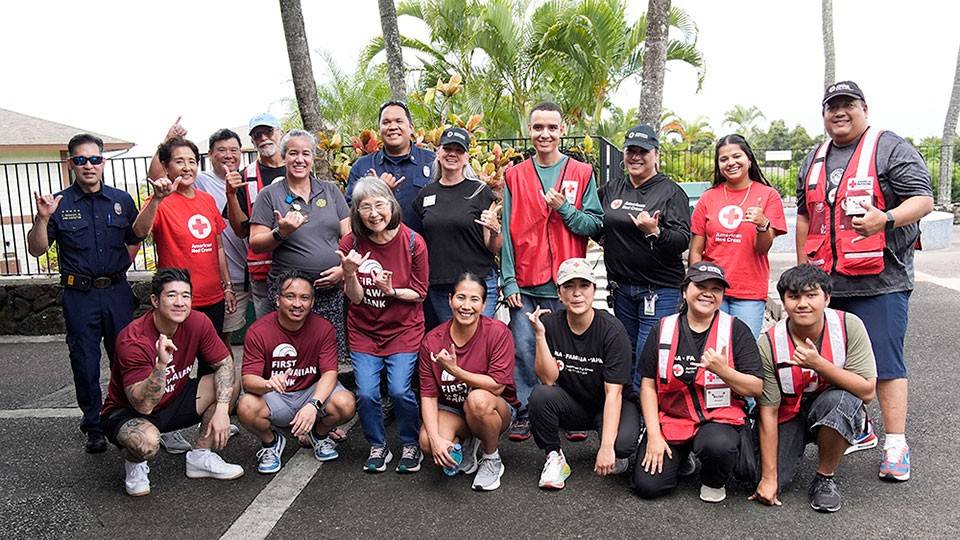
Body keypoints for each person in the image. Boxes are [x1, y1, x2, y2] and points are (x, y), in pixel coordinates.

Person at [795, 81, 933, 482]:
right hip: (828, 284)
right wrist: (805, 266)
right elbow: (805, 215)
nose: (839, 112)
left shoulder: (890, 146)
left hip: (881, 281)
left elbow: (923, 199)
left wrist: (885, 219)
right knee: (832, 362)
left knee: (885, 364)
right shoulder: (814, 158)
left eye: (847, 105)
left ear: (864, 109)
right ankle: (859, 426)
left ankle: (896, 443)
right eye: (831, 106)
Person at [26, 133, 162, 453]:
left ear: (103, 162)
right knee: (85, 363)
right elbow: (36, 249)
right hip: (80, 296)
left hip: (116, 291)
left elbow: (137, 234)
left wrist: (155, 200)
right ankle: (94, 425)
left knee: (127, 358)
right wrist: (43, 217)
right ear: (71, 163)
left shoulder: (121, 200)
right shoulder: (58, 203)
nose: (89, 166)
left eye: (95, 159)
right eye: (81, 160)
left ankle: (128, 416)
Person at [501, 101, 603, 442]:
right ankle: (528, 410)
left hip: (567, 283)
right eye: (538, 127)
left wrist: (565, 209)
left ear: (561, 131)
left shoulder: (581, 172)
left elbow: (594, 223)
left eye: (551, 127)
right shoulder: (514, 176)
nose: (544, 134)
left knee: (570, 352)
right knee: (525, 348)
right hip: (527, 282)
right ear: (529, 131)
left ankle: (569, 411)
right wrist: (509, 278)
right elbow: (505, 231)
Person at [99, 269, 243, 496]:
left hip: (174, 398)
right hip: (129, 412)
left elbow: (225, 364)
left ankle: (200, 457)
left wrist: (224, 410)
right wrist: (160, 366)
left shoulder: (198, 321)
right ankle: (135, 464)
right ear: (155, 300)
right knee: (146, 443)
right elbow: (143, 405)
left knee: (230, 383)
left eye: (186, 296)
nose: (180, 303)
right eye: (172, 295)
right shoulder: (133, 339)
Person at [750, 265, 877, 512]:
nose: (803, 304)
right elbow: (769, 410)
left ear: (827, 298)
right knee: (759, 477)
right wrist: (769, 477)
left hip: (830, 404)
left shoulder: (849, 325)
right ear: (783, 302)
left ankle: (824, 477)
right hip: (789, 411)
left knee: (841, 402)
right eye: (794, 296)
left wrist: (819, 364)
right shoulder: (768, 342)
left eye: (811, 295)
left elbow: (867, 391)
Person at [633, 262, 763, 502]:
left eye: (716, 289)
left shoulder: (736, 330)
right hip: (673, 419)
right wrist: (653, 434)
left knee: (718, 445)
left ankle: (713, 479)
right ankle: (683, 458)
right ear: (684, 291)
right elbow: (648, 385)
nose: (708, 293)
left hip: (719, 418)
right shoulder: (662, 328)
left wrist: (725, 371)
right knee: (647, 487)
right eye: (700, 285)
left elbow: (755, 387)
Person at [338, 176, 429, 474]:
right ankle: (378, 444)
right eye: (366, 207)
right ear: (357, 212)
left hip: (403, 328)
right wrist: (349, 274)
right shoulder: (350, 243)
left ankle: (410, 443)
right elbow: (356, 298)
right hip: (365, 329)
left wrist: (392, 292)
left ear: (391, 206)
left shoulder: (414, 241)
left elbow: (419, 293)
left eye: (380, 204)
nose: (374, 213)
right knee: (366, 392)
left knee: (400, 390)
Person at [525, 258, 638, 490]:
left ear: (593, 290)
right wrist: (539, 336)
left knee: (622, 446)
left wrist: (606, 447)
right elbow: (548, 379)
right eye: (569, 286)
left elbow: (614, 393)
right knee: (540, 396)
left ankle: (617, 440)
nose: (577, 293)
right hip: (575, 403)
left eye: (584, 286)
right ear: (559, 293)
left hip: (608, 402)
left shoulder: (612, 330)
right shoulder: (550, 324)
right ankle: (554, 456)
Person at [237, 270, 357, 473]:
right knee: (246, 406)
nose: (297, 304)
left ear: (312, 302)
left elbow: (329, 373)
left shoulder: (323, 328)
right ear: (277, 300)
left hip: (310, 391)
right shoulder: (259, 331)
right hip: (277, 395)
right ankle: (271, 442)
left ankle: (318, 435)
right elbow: (248, 380)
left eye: (304, 298)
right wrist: (267, 383)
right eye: (290, 296)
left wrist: (313, 404)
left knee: (346, 403)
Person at [598, 124, 691, 385]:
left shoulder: (671, 192)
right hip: (622, 288)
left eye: (643, 151)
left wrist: (655, 231)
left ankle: (647, 416)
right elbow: (595, 222)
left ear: (656, 154)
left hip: (659, 289)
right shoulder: (612, 188)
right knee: (625, 353)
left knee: (648, 355)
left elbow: (682, 240)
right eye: (631, 151)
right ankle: (630, 412)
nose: (635, 157)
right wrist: (607, 239)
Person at [249, 129, 351, 360]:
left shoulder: (330, 190)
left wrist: (343, 270)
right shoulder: (269, 195)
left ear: (313, 158)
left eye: (306, 153)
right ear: (284, 157)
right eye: (293, 153)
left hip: (329, 289)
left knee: (326, 353)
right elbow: (256, 243)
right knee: (290, 353)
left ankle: (324, 395)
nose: (299, 159)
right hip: (290, 293)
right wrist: (280, 232)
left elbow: (349, 236)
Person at [418, 272, 518, 491]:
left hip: (495, 409)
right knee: (426, 441)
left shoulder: (497, 333)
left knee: (478, 401)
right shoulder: (432, 341)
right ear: (450, 299)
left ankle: (491, 457)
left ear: (483, 305)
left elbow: (497, 385)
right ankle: (468, 444)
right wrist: (436, 440)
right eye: (461, 297)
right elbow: (428, 395)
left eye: (475, 299)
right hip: (453, 410)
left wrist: (455, 370)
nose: (466, 306)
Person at [689, 134, 787, 338]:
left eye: (736, 156)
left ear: (749, 159)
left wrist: (762, 224)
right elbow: (696, 249)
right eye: (724, 159)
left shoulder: (768, 195)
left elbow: (762, 249)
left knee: (743, 350)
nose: (731, 163)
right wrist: (695, 285)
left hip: (749, 291)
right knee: (710, 348)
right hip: (712, 288)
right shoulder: (709, 197)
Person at [412, 127, 501, 328]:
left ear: (467, 157)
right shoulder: (425, 196)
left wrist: (496, 229)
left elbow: (493, 246)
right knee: (454, 343)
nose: (452, 154)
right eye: (447, 148)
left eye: (459, 150)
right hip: (441, 286)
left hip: (479, 284)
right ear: (438, 152)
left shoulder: (481, 192)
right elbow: (422, 241)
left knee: (480, 342)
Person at [224, 113, 287, 318]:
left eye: (268, 132)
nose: (263, 138)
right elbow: (240, 230)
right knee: (268, 331)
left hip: (300, 263)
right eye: (257, 135)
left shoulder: (300, 168)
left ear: (281, 133)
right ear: (252, 141)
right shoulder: (246, 176)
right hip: (263, 271)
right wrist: (231, 195)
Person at [194, 128, 252, 345]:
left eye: (234, 150)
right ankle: (227, 380)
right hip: (230, 278)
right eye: (221, 150)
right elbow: (159, 175)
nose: (229, 155)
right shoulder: (200, 181)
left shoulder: (250, 178)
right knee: (221, 338)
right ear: (210, 154)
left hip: (258, 270)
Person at [347, 100, 434, 231]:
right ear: (379, 129)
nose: (392, 127)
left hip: (426, 247)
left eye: (399, 121)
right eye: (386, 122)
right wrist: (378, 191)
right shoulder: (362, 166)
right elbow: (351, 210)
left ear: (411, 127)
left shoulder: (432, 161)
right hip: (376, 247)